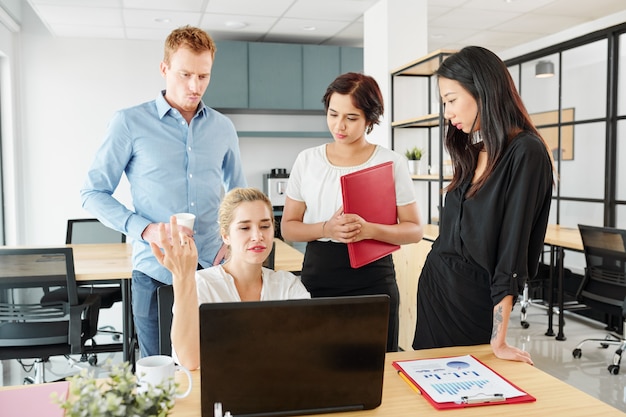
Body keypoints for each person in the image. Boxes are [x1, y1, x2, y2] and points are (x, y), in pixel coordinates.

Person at [80, 26, 247, 358]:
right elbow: (92, 192)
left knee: (219, 368)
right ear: (164, 68)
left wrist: (231, 244)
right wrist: (146, 229)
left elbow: (238, 197)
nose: (194, 86)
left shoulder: (222, 128)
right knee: (161, 378)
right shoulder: (129, 123)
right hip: (157, 274)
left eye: (203, 75)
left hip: (212, 271)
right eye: (185, 74)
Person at [411, 46, 555, 365]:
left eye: (451, 100)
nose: (447, 113)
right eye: (443, 103)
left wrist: (499, 338)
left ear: (483, 91)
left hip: (471, 300)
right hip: (436, 289)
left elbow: (512, 251)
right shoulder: (476, 148)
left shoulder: (526, 153)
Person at [281, 72, 423, 352]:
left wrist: (369, 230)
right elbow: (288, 227)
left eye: (351, 118)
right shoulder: (307, 160)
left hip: (373, 277)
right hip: (320, 274)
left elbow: (414, 230)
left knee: (376, 368)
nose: (339, 125)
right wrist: (326, 229)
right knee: (317, 362)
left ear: (370, 118)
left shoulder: (390, 162)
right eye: (333, 114)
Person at [150, 187, 310, 370]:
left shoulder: (288, 286)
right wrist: (182, 278)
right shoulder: (202, 285)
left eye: (265, 226)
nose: (257, 236)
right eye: (244, 227)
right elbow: (190, 360)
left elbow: (306, 349)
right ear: (225, 236)